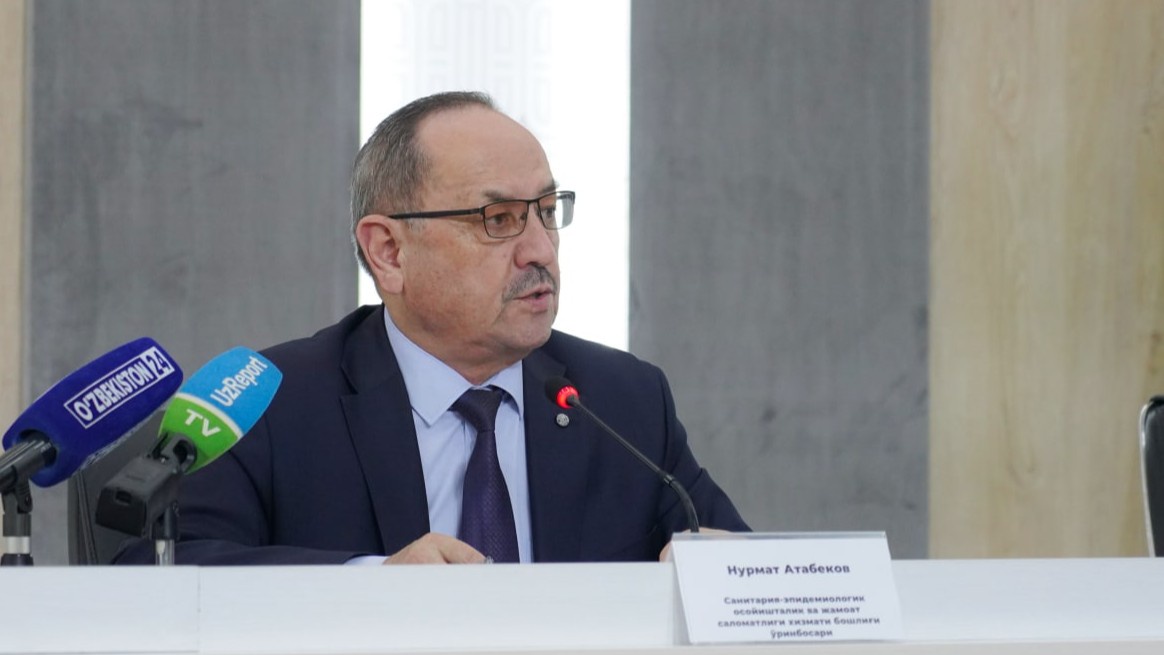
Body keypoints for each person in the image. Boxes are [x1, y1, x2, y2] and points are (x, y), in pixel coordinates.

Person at [113, 91, 748, 565]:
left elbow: (739, 565)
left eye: (547, 211)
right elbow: (157, 568)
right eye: (499, 219)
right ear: (389, 252)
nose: (540, 250)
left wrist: (725, 575)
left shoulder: (623, 400)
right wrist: (370, 584)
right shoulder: (271, 403)